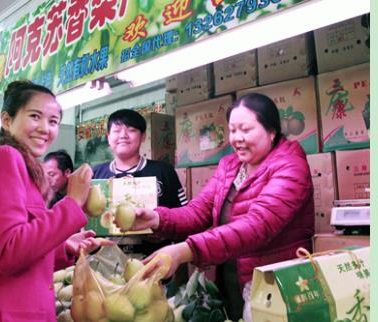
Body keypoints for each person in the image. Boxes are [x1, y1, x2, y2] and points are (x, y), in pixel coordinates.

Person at [129, 93, 314, 321]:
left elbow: (257, 225)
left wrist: (186, 250)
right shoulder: (231, 166)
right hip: (231, 281)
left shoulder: (290, 167)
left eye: (245, 130)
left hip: (275, 288)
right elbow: (199, 210)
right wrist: (157, 219)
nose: (236, 138)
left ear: (272, 131)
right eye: (232, 130)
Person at [0, 80, 112, 322]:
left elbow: (23, 245)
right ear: (6, 120)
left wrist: (63, 246)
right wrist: (72, 203)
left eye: (53, 121)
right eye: (35, 116)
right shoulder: (3, 158)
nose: (45, 128)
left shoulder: (25, 171)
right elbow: (8, 252)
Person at [92, 109, 188, 208]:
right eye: (117, 131)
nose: (123, 136)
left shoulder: (164, 171)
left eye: (131, 130)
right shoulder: (95, 175)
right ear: (108, 138)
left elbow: (183, 213)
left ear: (143, 136)